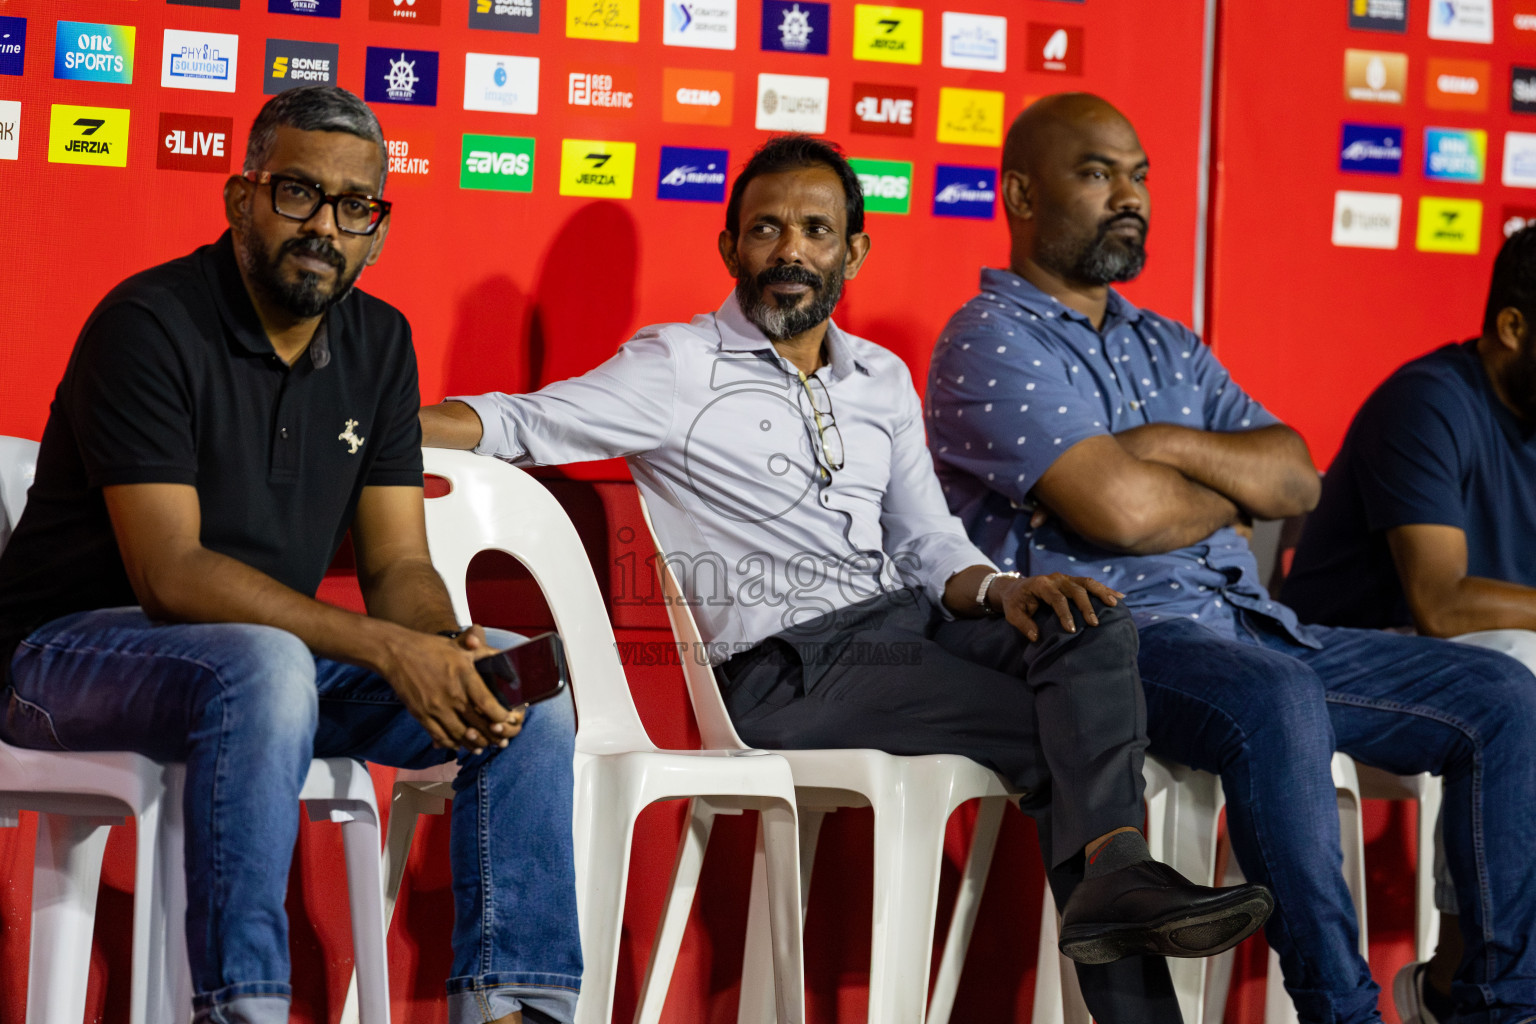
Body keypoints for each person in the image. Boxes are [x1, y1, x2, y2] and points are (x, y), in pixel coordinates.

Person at [423, 133, 1273, 1024]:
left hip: (908, 628)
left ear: (853, 252)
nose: (790, 250)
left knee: (1088, 624)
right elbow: (519, 422)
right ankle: (1124, 901)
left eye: (816, 231)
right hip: (787, 669)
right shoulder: (675, 365)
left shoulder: (881, 378)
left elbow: (929, 539)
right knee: (1072, 740)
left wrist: (1003, 590)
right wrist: (368, 426)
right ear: (731, 247)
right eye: (766, 230)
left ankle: (1117, 875)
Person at [926, 92, 1536, 1024]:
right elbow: (1122, 513)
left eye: (1139, 175)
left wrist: (1155, 446)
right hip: (1117, 644)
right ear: (1019, 194)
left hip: (1256, 630)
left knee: (1502, 695)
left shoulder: (1168, 343)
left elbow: (1294, 478)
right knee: (1276, 694)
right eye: (1097, 173)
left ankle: (1498, 1007)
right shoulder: (987, 338)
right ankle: (1343, 1012)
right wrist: (1216, 491)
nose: (1129, 196)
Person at [0, 86, 579, 1024]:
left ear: (378, 232)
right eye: (299, 194)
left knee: (518, 694)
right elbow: (171, 574)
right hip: (63, 660)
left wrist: (441, 647)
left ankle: (512, 1008)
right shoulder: (149, 323)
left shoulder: (380, 343)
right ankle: (244, 1009)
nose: (325, 229)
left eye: (355, 208)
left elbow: (398, 564)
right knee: (264, 663)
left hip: (261, 670)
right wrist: (390, 649)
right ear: (242, 199)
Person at [1282, 224, 1536, 1024]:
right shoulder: (1430, 400)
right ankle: (1462, 986)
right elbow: (1442, 603)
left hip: (1476, 666)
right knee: (1515, 666)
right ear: (1514, 327)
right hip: (1347, 659)